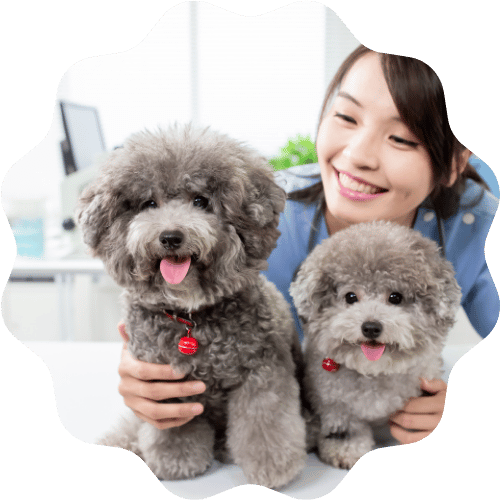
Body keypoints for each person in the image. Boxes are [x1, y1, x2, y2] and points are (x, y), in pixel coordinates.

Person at [116, 45, 499, 447]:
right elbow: (175, 313)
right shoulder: (259, 214)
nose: (357, 156)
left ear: (456, 158)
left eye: (402, 139)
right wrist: (142, 370)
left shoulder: (478, 225)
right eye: (346, 117)